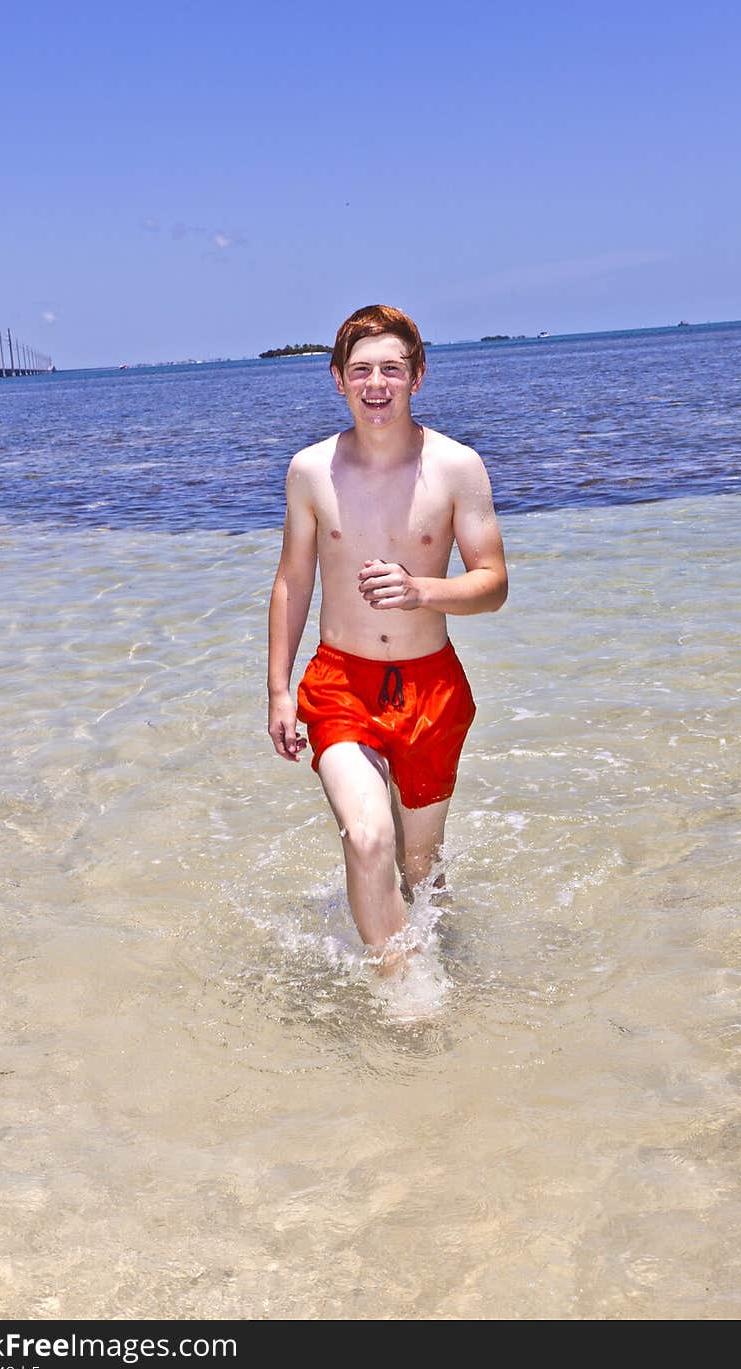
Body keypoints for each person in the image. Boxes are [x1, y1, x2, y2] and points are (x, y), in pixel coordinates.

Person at [267, 304, 508, 974]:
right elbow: (292, 582)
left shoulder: (458, 467)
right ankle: (409, 998)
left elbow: (493, 584)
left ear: (418, 376)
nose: (378, 383)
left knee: (420, 866)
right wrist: (280, 691)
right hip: (340, 683)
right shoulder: (311, 471)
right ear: (337, 379)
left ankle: (443, 953)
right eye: (362, 369)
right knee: (368, 837)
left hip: (431, 686)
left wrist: (424, 589)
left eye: (392, 369)